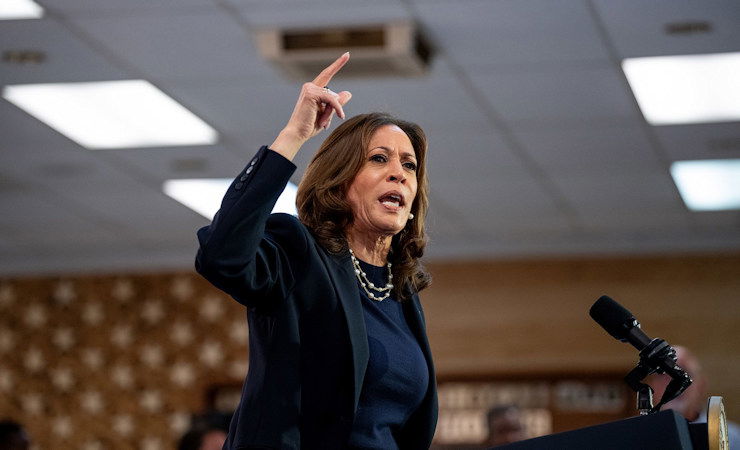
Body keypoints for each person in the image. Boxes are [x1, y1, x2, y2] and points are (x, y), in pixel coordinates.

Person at [196, 52, 437, 449]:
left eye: (410, 166)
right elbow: (221, 256)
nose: (399, 172)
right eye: (379, 159)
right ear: (340, 182)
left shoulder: (401, 292)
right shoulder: (298, 255)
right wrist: (293, 134)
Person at [648, 345, 740, 449]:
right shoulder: (638, 435)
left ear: (701, 385)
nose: (672, 383)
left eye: (683, 374)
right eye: (663, 375)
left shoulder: (732, 439)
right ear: (651, 387)